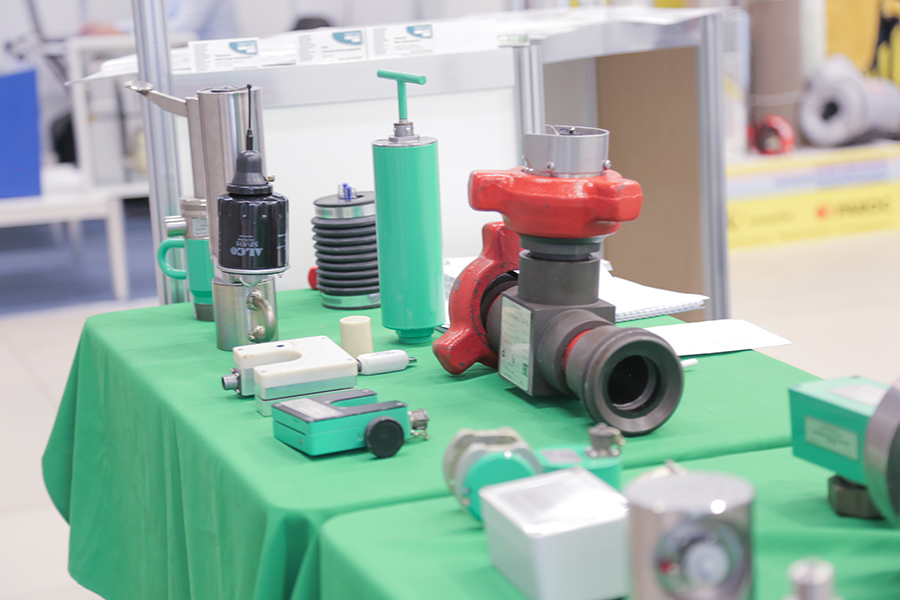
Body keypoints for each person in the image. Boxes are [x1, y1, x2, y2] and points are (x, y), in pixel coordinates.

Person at [80, 0, 239, 41]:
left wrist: (120, 29)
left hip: (217, 62)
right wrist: (116, 26)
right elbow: (161, 21)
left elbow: (182, 28)